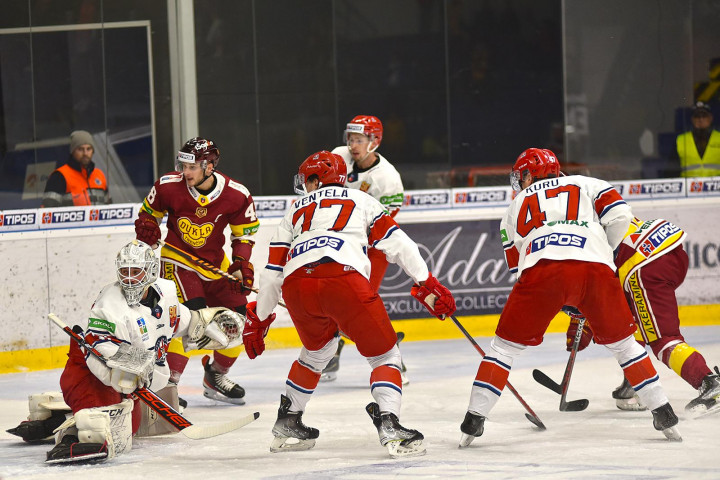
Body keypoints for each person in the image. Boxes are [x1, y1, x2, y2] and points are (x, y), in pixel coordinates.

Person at [458, 148, 682, 448]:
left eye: (521, 175)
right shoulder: (587, 183)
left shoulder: (514, 207)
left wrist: (561, 294)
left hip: (541, 272)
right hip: (595, 271)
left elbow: (518, 267)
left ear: (528, 175)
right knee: (626, 347)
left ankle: (473, 420)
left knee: (503, 349)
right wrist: (602, 253)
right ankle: (664, 413)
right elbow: (620, 216)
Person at [241, 150, 455, 458]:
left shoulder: (294, 210)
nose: (305, 186)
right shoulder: (363, 200)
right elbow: (400, 245)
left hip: (297, 286)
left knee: (316, 353)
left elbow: (273, 274)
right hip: (343, 280)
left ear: (318, 180)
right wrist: (426, 282)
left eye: (307, 180)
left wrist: (260, 319)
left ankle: (288, 421)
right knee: (385, 355)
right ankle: (390, 423)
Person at [7, 240, 244, 464]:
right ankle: (70, 435)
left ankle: (57, 416)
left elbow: (177, 320)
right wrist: (124, 372)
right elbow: (98, 352)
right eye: (124, 272)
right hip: (89, 372)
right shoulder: (108, 306)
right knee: (103, 430)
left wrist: (201, 322)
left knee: (131, 425)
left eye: (136, 272)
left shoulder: (166, 291)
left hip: (127, 381)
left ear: (151, 272)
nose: (129, 279)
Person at [134, 137, 259, 405]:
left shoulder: (236, 194)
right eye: (183, 166)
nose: (185, 172)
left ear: (209, 167)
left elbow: (244, 235)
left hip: (215, 266)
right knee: (191, 320)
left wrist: (241, 264)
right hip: (177, 261)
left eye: (192, 167)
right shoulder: (168, 186)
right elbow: (148, 214)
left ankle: (215, 375)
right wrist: (147, 227)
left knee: (238, 322)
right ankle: (168, 386)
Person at [566, 217, 720, 415]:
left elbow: (592, 290)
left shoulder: (573, 244)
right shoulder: (585, 215)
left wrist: (581, 322)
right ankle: (636, 382)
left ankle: (710, 383)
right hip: (667, 245)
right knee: (630, 322)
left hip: (642, 265)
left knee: (662, 339)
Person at [322, 115, 406, 383]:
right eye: (351, 139)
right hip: (339, 243)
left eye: (359, 140)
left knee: (362, 302)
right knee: (335, 299)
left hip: (373, 247)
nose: (353, 145)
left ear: (374, 141)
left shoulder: (388, 179)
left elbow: (383, 225)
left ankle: (391, 355)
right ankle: (333, 351)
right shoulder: (338, 156)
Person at [41, 130, 111, 207]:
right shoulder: (60, 176)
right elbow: (48, 210)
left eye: (88, 149)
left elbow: (109, 207)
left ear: (93, 151)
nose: (85, 153)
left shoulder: (99, 175)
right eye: (80, 149)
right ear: (72, 151)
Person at [674, 101, 720, 177]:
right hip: (688, 184)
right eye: (697, 116)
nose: (701, 119)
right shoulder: (681, 140)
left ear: (710, 118)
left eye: (704, 116)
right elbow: (672, 170)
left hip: (716, 184)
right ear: (692, 119)